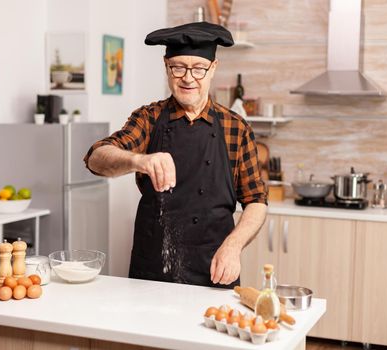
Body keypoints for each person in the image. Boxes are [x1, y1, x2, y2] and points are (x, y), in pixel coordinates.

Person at [84, 22, 267, 288]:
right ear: (166, 67)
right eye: (178, 67)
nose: (188, 78)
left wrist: (233, 246)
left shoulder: (236, 128)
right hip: (153, 271)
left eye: (199, 68)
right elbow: (96, 157)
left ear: (213, 68)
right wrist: (138, 160)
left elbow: (256, 201)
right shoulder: (149, 118)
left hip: (215, 266)